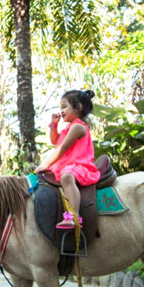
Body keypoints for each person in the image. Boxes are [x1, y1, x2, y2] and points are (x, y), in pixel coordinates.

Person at [35, 90, 100, 229]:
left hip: (78, 165)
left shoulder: (78, 127)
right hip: (65, 165)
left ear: (78, 107)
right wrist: (53, 125)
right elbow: (54, 141)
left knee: (66, 177)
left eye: (64, 107)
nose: (61, 111)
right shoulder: (68, 128)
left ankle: (74, 216)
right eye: (60, 108)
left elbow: (62, 147)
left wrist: (46, 163)